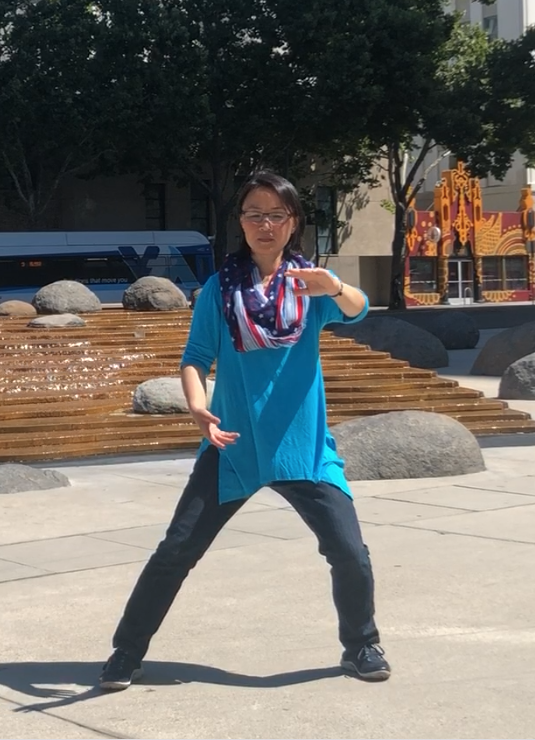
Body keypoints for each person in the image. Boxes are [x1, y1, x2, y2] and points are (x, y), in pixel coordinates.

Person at [98, 171, 388, 691]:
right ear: (241, 222)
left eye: (276, 214)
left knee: (348, 551)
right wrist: (195, 406)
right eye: (254, 213)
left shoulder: (309, 286)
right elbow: (196, 358)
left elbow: (358, 309)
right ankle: (126, 651)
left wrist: (335, 285)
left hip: (302, 448)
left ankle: (362, 644)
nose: (265, 224)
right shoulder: (219, 289)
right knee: (176, 550)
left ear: (293, 221)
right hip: (232, 446)